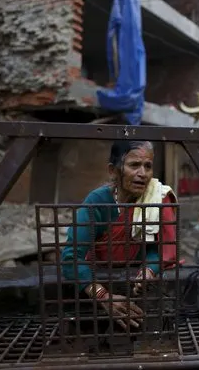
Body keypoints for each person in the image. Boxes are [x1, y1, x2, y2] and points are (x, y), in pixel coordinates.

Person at [61, 140, 180, 329]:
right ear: (113, 170)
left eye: (147, 166)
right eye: (134, 165)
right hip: (96, 280)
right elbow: (70, 258)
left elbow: (157, 249)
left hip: (134, 287)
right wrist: (103, 296)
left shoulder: (155, 199)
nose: (143, 173)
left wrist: (148, 270)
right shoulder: (98, 202)